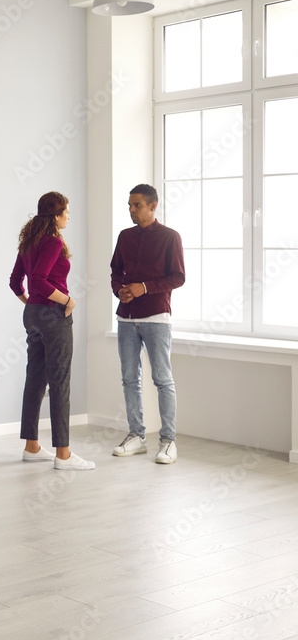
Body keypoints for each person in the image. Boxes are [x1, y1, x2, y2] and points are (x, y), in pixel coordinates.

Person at [9, 191, 94, 471]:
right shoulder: (53, 241)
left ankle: (32, 446)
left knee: (35, 379)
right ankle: (63, 454)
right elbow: (40, 281)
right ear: (56, 215)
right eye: (66, 211)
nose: (69, 216)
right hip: (54, 316)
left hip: (32, 315)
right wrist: (68, 301)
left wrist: (31, 303)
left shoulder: (29, 241)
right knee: (60, 382)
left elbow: (15, 282)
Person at [110, 183, 185, 464]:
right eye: (129, 205)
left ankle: (168, 442)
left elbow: (177, 277)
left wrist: (143, 287)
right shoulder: (125, 236)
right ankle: (136, 436)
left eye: (136, 205)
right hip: (126, 318)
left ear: (152, 206)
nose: (131, 210)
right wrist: (120, 291)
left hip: (156, 318)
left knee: (162, 380)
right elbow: (115, 271)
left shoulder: (170, 237)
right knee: (130, 379)